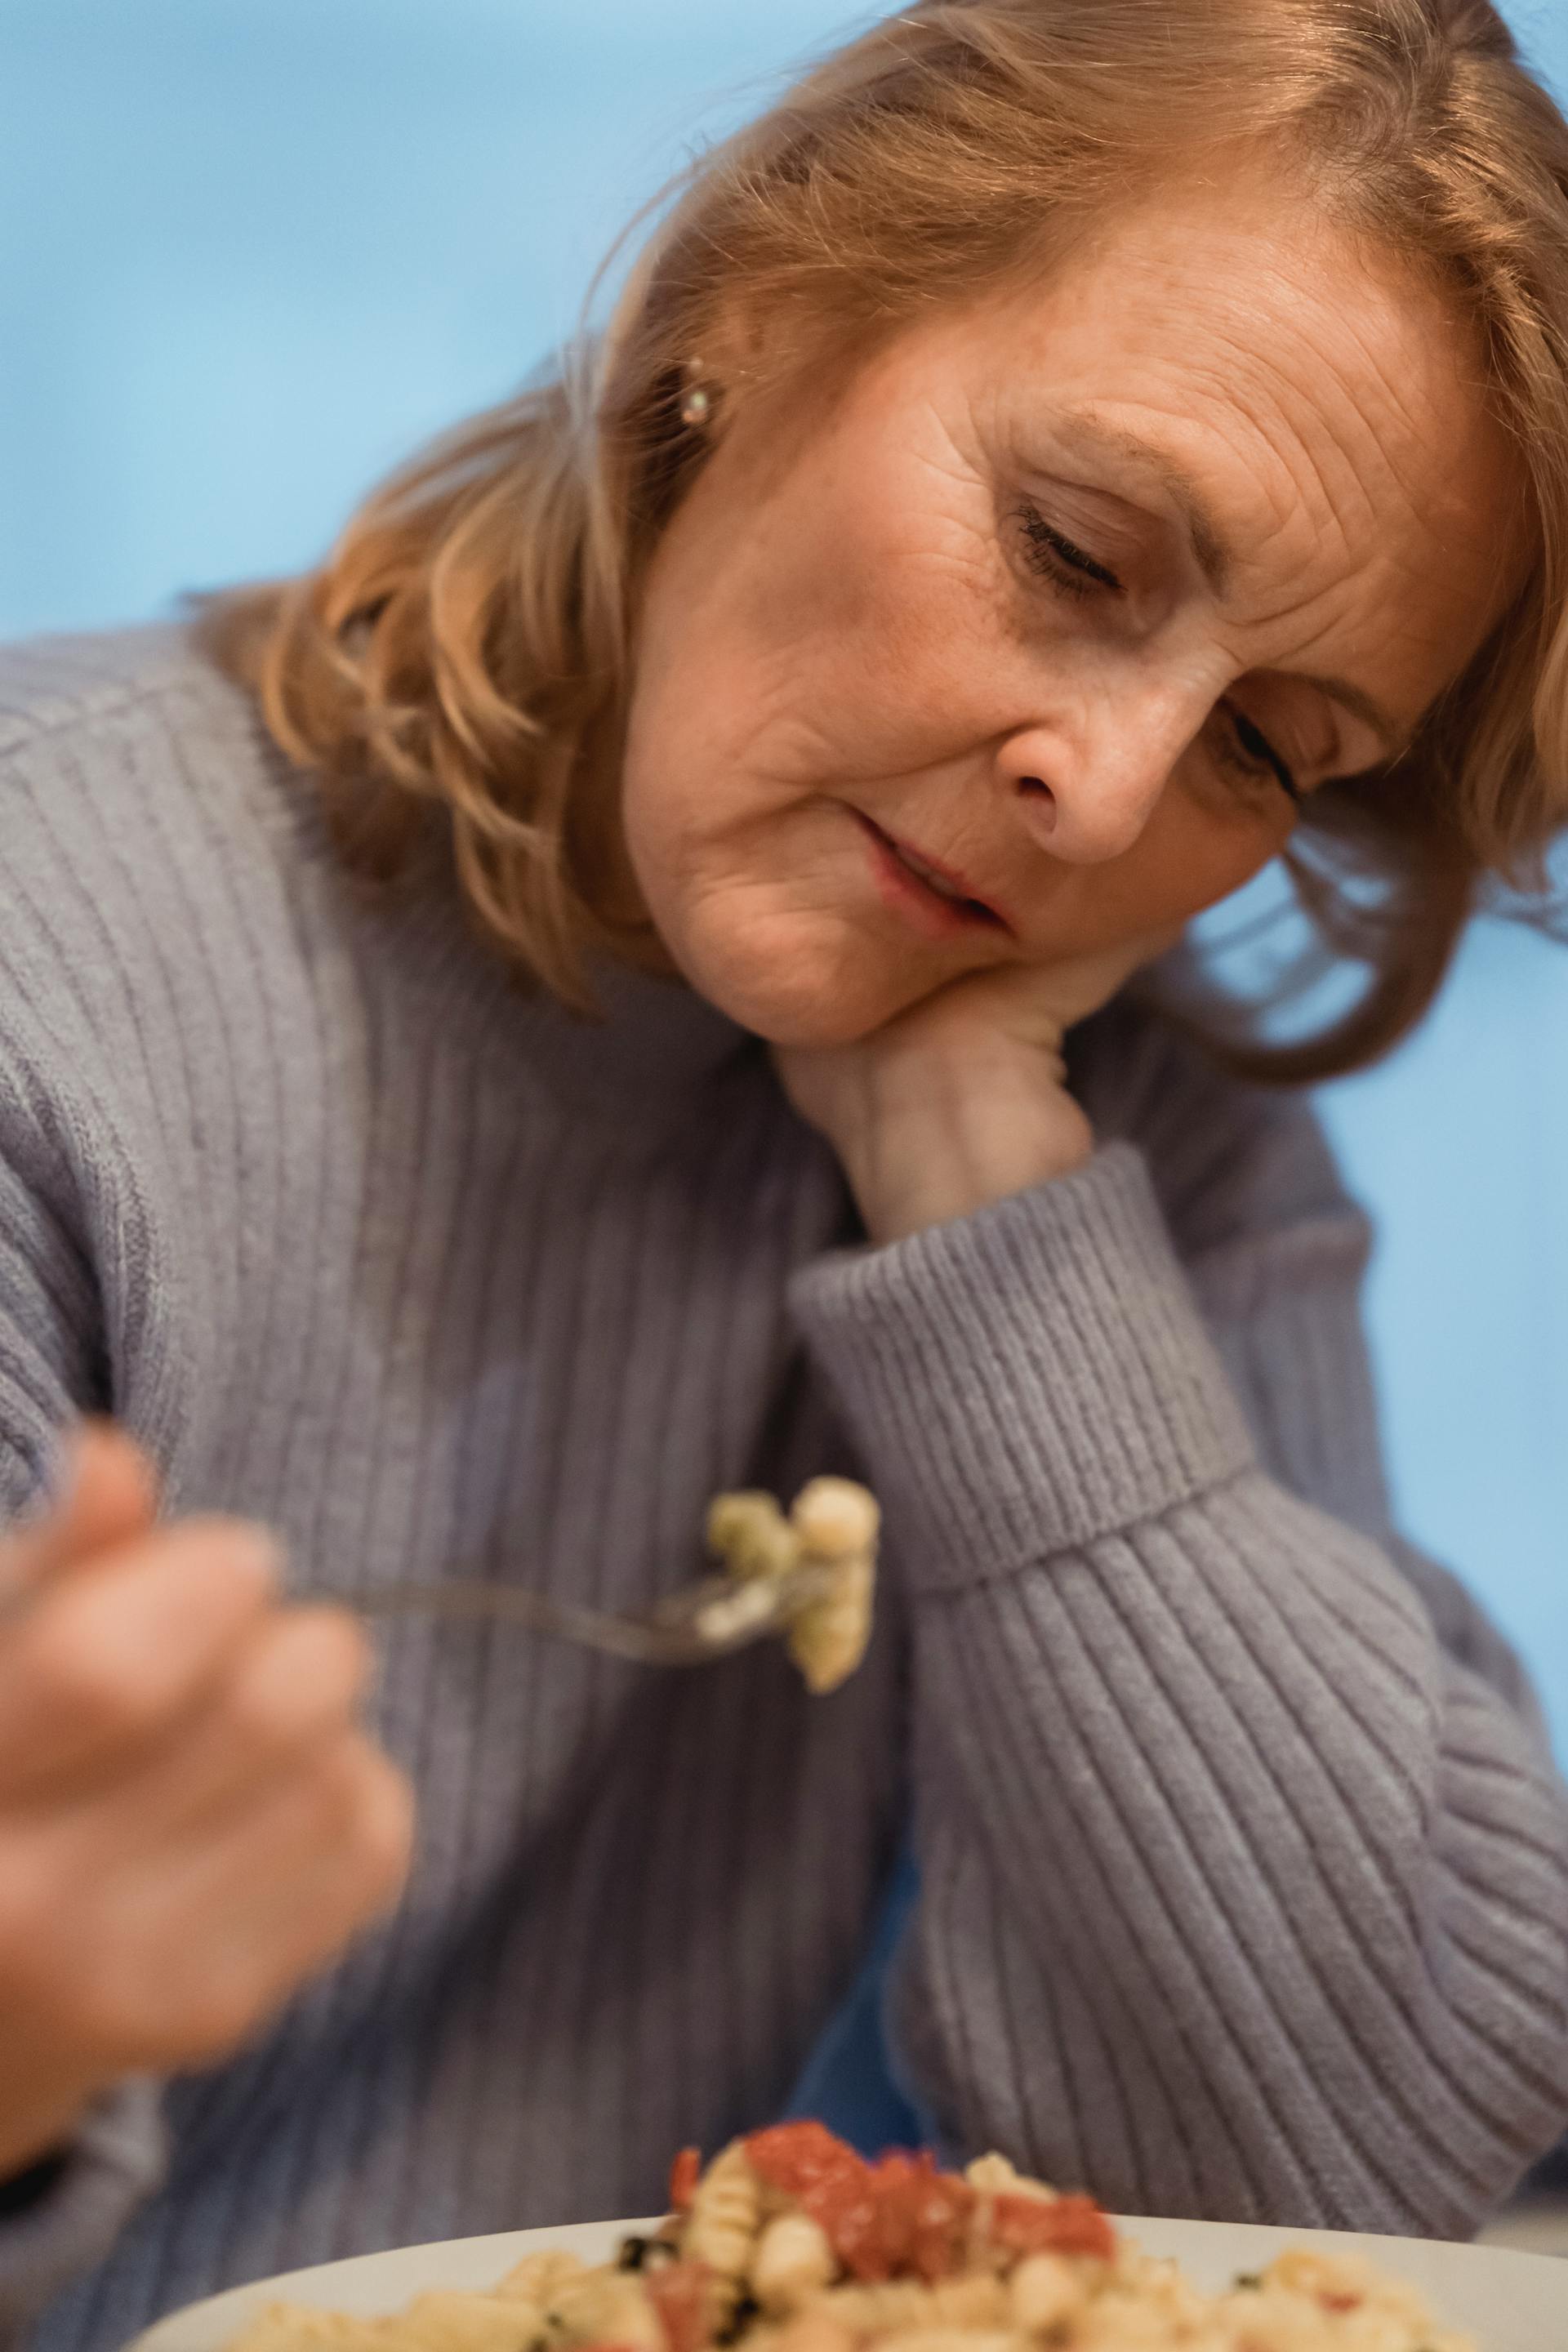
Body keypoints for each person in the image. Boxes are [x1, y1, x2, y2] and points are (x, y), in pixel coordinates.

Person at [2, 0, 1568, 2342]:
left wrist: (985, 1210)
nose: (1119, 800)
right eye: (1076, 551)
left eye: (1267, 743)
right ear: (753, 306)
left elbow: (1348, 2198)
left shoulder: (1140, 1148)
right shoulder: (52, 954)